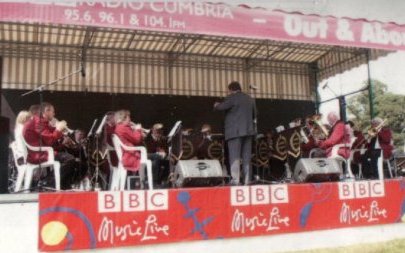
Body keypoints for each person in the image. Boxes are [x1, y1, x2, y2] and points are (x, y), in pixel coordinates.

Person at [23, 102, 76, 190]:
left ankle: (63, 186)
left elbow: (50, 135)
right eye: (53, 111)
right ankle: (48, 182)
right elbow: (49, 140)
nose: (54, 114)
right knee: (69, 159)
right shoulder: (38, 122)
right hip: (38, 155)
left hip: (42, 152)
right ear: (46, 111)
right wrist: (58, 129)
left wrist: (62, 137)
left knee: (68, 157)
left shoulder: (41, 121)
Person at [214, 81, 257, 185]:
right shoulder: (250, 99)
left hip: (235, 132)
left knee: (235, 157)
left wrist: (216, 104)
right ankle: (247, 180)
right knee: (247, 158)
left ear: (231, 90)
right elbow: (255, 114)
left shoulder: (231, 97)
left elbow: (221, 107)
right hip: (248, 132)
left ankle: (235, 180)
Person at [145, 123, 169, 187]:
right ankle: (155, 181)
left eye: (160, 130)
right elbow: (149, 150)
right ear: (152, 130)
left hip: (160, 157)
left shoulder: (162, 139)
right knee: (156, 159)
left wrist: (164, 152)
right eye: (156, 130)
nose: (158, 132)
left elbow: (166, 149)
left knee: (169, 162)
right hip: (150, 156)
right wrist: (158, 152)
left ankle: (162, 180)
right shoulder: (148, 138)